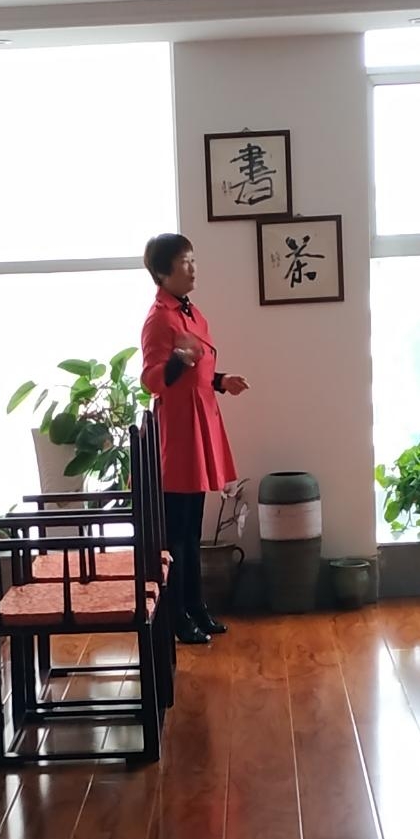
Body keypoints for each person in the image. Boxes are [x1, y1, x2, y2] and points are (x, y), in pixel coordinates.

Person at [139, 233, 248, 645]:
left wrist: (221, 380)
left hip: (200, 423)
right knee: (178, 533)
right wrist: (176, 360)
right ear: (162, 271)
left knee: (192, 530)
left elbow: (197, 371)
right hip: (179, 433)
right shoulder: (159, 319)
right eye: (184, 261)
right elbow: (152, 380)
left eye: (193, 259)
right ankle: (176, 615)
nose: (192, 267)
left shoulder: (192, 313)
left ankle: (196, 606)